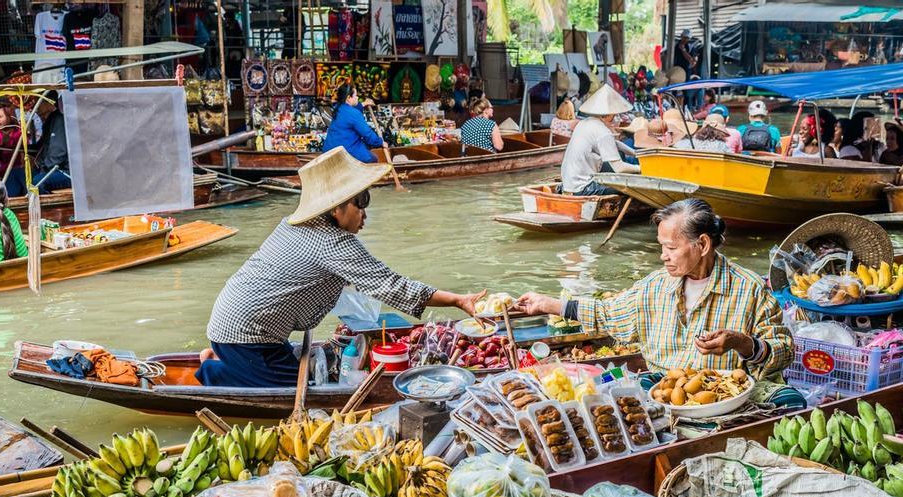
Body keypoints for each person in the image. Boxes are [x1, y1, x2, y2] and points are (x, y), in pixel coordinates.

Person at [198, 147, 486, 387]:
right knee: (303, 386)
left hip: (233, 322)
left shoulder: (293, 225)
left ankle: (223, 357)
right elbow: (394, 287)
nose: (364, 214)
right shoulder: (334, 244)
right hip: (247, 338)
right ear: (335, 208)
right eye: (360, 202)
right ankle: (213, 371)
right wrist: (457, 300)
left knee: (302, 366)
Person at [515, 199, 792, 379]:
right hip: (662, 393)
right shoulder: (654, 286)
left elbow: (782, 353)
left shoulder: (750, 289)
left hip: (722, 398)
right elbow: (608, 313)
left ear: (703, 245)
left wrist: (742, 343)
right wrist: (548, 304)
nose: (663, 256)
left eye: (671, 248)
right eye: (662, 247)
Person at [560, 85, 640, 196]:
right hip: (582, 188)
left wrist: (635, 153)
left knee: (619, 155)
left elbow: (613, 143)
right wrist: (641, 168)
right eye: (615, 114)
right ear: (607, 115)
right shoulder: (603, 132)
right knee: (632, 187)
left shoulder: (585, 123)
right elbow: (619, 168)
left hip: (568, 183)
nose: (618, 118)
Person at [5, 90, 71, 196]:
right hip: (48, 169)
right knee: (14, 174)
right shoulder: (49, 121)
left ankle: (41, 211)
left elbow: (58, 153)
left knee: (36, 182)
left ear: (48, 103)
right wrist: (20, 147)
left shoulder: (59, 120)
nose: (36, 108)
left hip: (64, 171)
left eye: (38, 103)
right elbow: (40, 147)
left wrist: (43, 168)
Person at [320, 84, 387, 163]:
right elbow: (367, 134)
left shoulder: (338, 108)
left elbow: (349, 112)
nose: (357, 97)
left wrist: (363, 104)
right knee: (372, 158)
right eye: (356, 95)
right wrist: (380, 142)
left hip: (329, 150)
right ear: (348, 98)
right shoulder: (354, 113)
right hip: (343, 152)